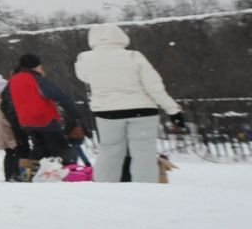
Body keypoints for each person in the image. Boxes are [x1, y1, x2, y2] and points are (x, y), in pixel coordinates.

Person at [74, 23, 183, 185]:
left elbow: (84, 77)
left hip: (107, 112)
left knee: (109, 151)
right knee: (143, 152)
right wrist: (173, 111)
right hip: (142, 110)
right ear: (120, 36)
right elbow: (154, 87)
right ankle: (146, 188)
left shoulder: (85, 58)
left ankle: (104, 187)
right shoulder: (134, 56)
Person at [4, 53, 92, 181]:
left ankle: (25, 175)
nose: (41, 68)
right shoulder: (37, 79)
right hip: (45, 118)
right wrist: (75, 114)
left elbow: (7, 102)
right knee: (61, 147)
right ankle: (69, 174)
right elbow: (59, 95)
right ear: (34, 66)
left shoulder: (13, 80)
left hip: (26, 120)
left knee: (39, 148)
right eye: (39, 65)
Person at [0, 74, 24, 182]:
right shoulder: (0, 101)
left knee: (10, 152)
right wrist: (14, 125)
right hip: (4, 130)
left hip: (0, 129)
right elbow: (3, 117)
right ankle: (12, 174)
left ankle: (10, 174)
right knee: (13, 151)